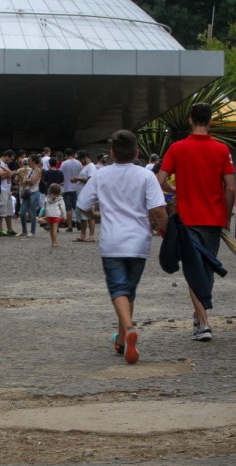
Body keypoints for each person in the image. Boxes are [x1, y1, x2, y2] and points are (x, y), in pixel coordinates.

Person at [77, 129, 168, 364]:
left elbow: (83, 204)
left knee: (118, 289)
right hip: (139, 241)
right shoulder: (146, 176)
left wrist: (95, 215)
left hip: (112, 241)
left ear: (111, 153)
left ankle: (128, 330)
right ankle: (121, 341)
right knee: (129, 290)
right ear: (137, 152)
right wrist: (166, 231)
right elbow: (158, 210)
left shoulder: (101, 175)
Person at [157, 102, 236, 342]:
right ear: (211, 121)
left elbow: (158, 180)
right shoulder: (222, 150)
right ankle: (200, 317)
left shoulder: (177, 148)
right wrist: (226, 215)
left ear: (190, 120)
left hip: (187, 219)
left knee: (194, 269)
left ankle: (203, 323)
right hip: (213, 218)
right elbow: (231, 187)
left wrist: (175, 190)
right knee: (207, 269)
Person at [73, 150, 97, 242]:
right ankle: (82, 235)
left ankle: (91, 235)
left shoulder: (91, 166)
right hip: (81, 194)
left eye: (80, 159)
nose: (80, 161)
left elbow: (90, 179)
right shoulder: (85, 167)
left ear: (85, 157)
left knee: (90, 216)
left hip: (88, 195)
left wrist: (77, 178)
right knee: (83, 216)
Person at [0, 149, 18, 237]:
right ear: (7, 156)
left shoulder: (5, 164)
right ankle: (0, 230)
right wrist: (10, 174)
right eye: (11, 159)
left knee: (9, 210)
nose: (11, 161)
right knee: (1, 210)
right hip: (2, 189)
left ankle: (10, 229)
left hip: (7, 189)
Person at [18, 154, 42, 237]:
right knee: (22, 212)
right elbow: (26, 180)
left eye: (29, 161)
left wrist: (26, 180)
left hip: (34, 192)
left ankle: (32, 231)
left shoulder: (38, 170)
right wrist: (27, 180)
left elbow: (33, 181)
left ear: (34, 161)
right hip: (28, 192)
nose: (28, 162)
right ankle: (24, 230)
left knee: (32, 212)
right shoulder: (29, 170)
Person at [59, 148, 82, 232]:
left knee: (68, 208)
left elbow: (61, 175)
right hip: (77, 187)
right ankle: (79, 221)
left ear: (66, 155)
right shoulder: (79, 163)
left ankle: (70, 226)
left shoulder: (64, 164)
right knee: (76, 206)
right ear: (73, 153)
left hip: (67, 188)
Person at [43, 183, 66, 248]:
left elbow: (44, 206)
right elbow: (63, 208)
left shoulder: (47, 198)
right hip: (56, 215)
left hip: (49, 215)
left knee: (51, 229)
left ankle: (52, 241)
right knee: (55, 229)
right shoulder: (60, 199)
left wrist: (45, 214)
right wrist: (64, 216)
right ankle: (55, 242)